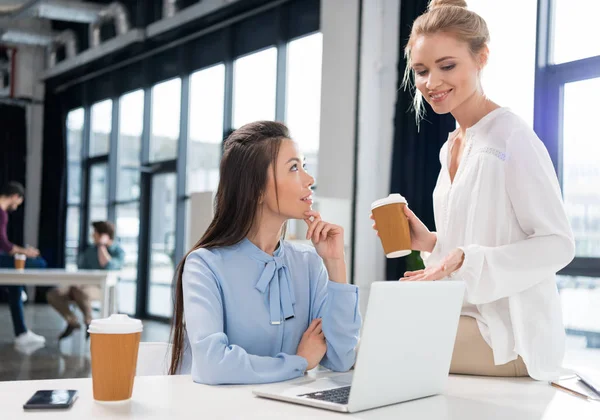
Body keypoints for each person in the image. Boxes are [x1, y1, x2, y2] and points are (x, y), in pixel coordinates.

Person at [372, 0, 575, 381]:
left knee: (385, 346)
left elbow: (558, 244)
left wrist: (465, 258)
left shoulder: (513, 138)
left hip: (510, 335)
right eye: (421, 71)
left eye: (447, 66)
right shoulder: (451, 145)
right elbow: (470, 243)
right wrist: (432, 242)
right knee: (376, 332)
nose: (432, 83)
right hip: (461, 313)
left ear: (481, 57)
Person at [169, 121, 361, 384]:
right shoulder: (204, 265)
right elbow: (212, 365)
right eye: (294, 167)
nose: (309, 179)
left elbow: (341, 359)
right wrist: (299, 362)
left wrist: (336, 264)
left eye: (303, 166)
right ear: (257, 189)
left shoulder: (308, 263)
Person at [47, 221, 124, 340]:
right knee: (53, 294)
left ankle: (89, 321)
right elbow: (81, 270)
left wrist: (102, 246)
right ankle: (72, 321)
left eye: (95, 233)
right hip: (80, 285)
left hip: (101, 288)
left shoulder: (117, 251)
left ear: (104, 235)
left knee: (80, 291)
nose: (92, 235)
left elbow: (108, 266)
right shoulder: (90, 250)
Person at [0, 181, 47, 348]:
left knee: (14, 286)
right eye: (19, 201)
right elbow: (4, 244)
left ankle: (22, 332)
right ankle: (22, 291)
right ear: (15, 196)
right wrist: (26, 252)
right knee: (39, 263)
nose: (18, 206)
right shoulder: (2, 213)